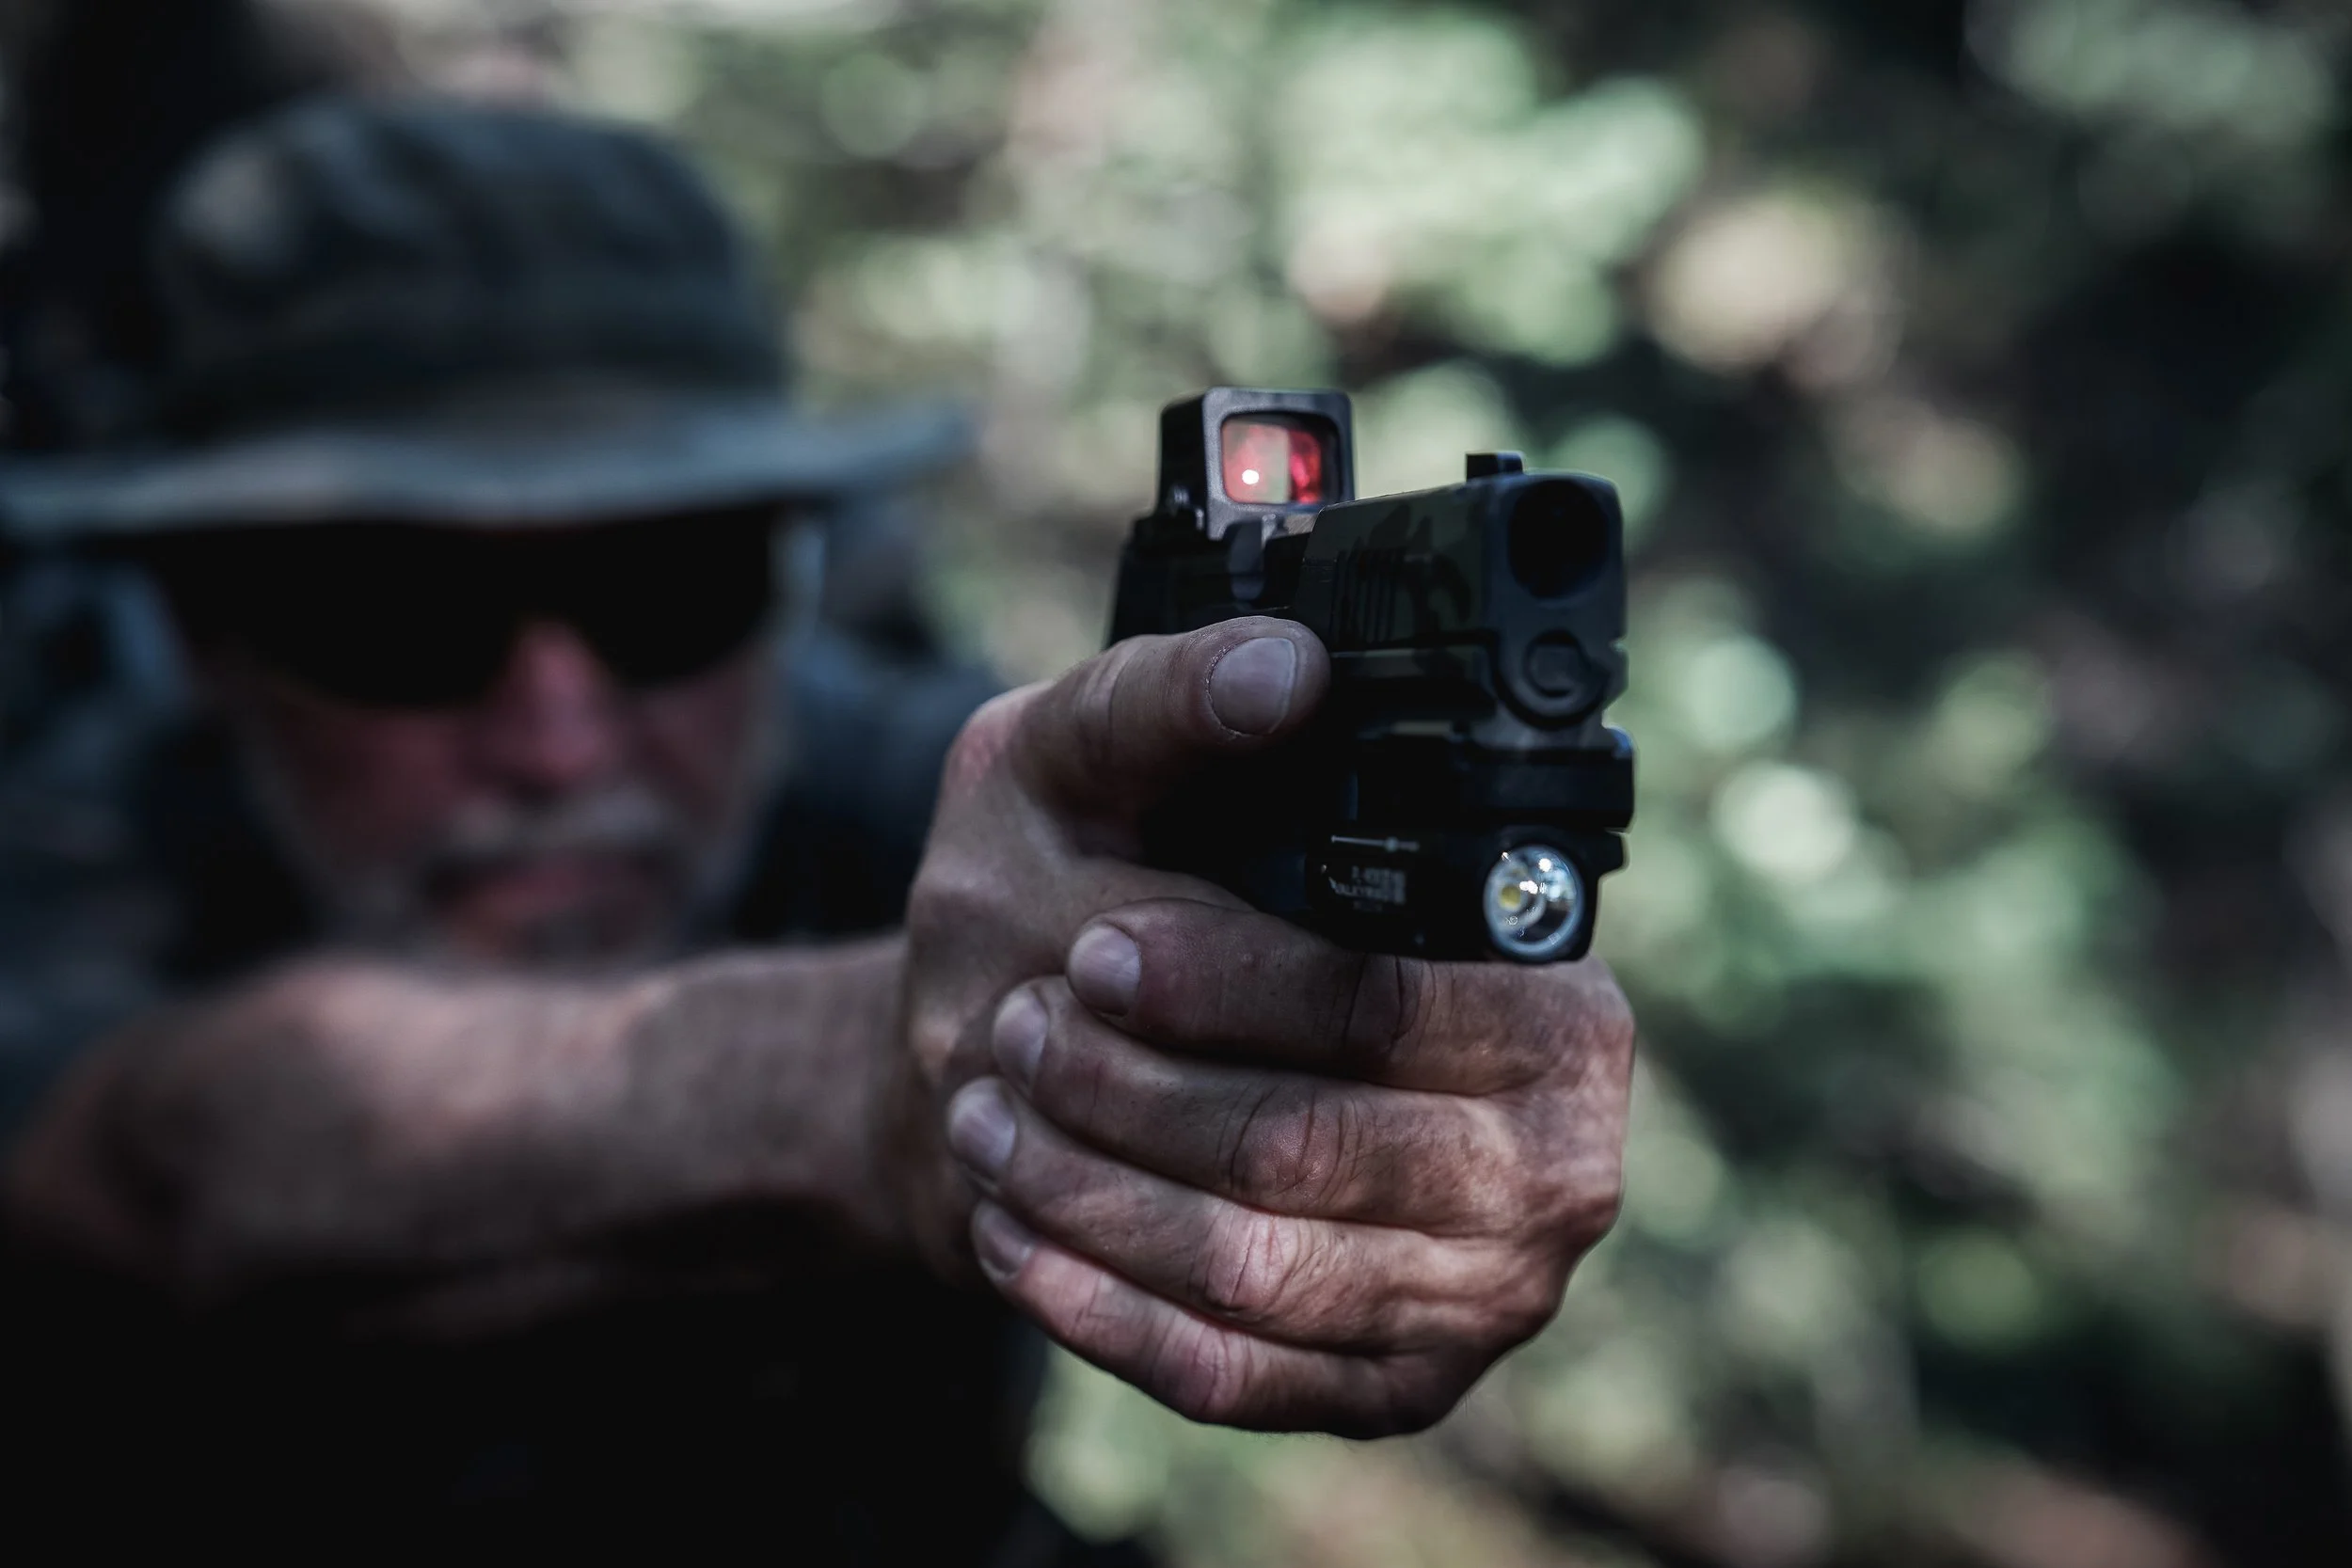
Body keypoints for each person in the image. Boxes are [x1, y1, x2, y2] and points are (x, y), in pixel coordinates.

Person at [0, 97, 1635, 1554]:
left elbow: (1103, 865)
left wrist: (1399, 1058)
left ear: (783, 576)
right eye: (398, 615)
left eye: (667, 589)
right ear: (204, 632)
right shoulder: (81, 813)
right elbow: (180, 1156)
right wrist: (900, 1081)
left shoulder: (907, 768)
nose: (561, 734)